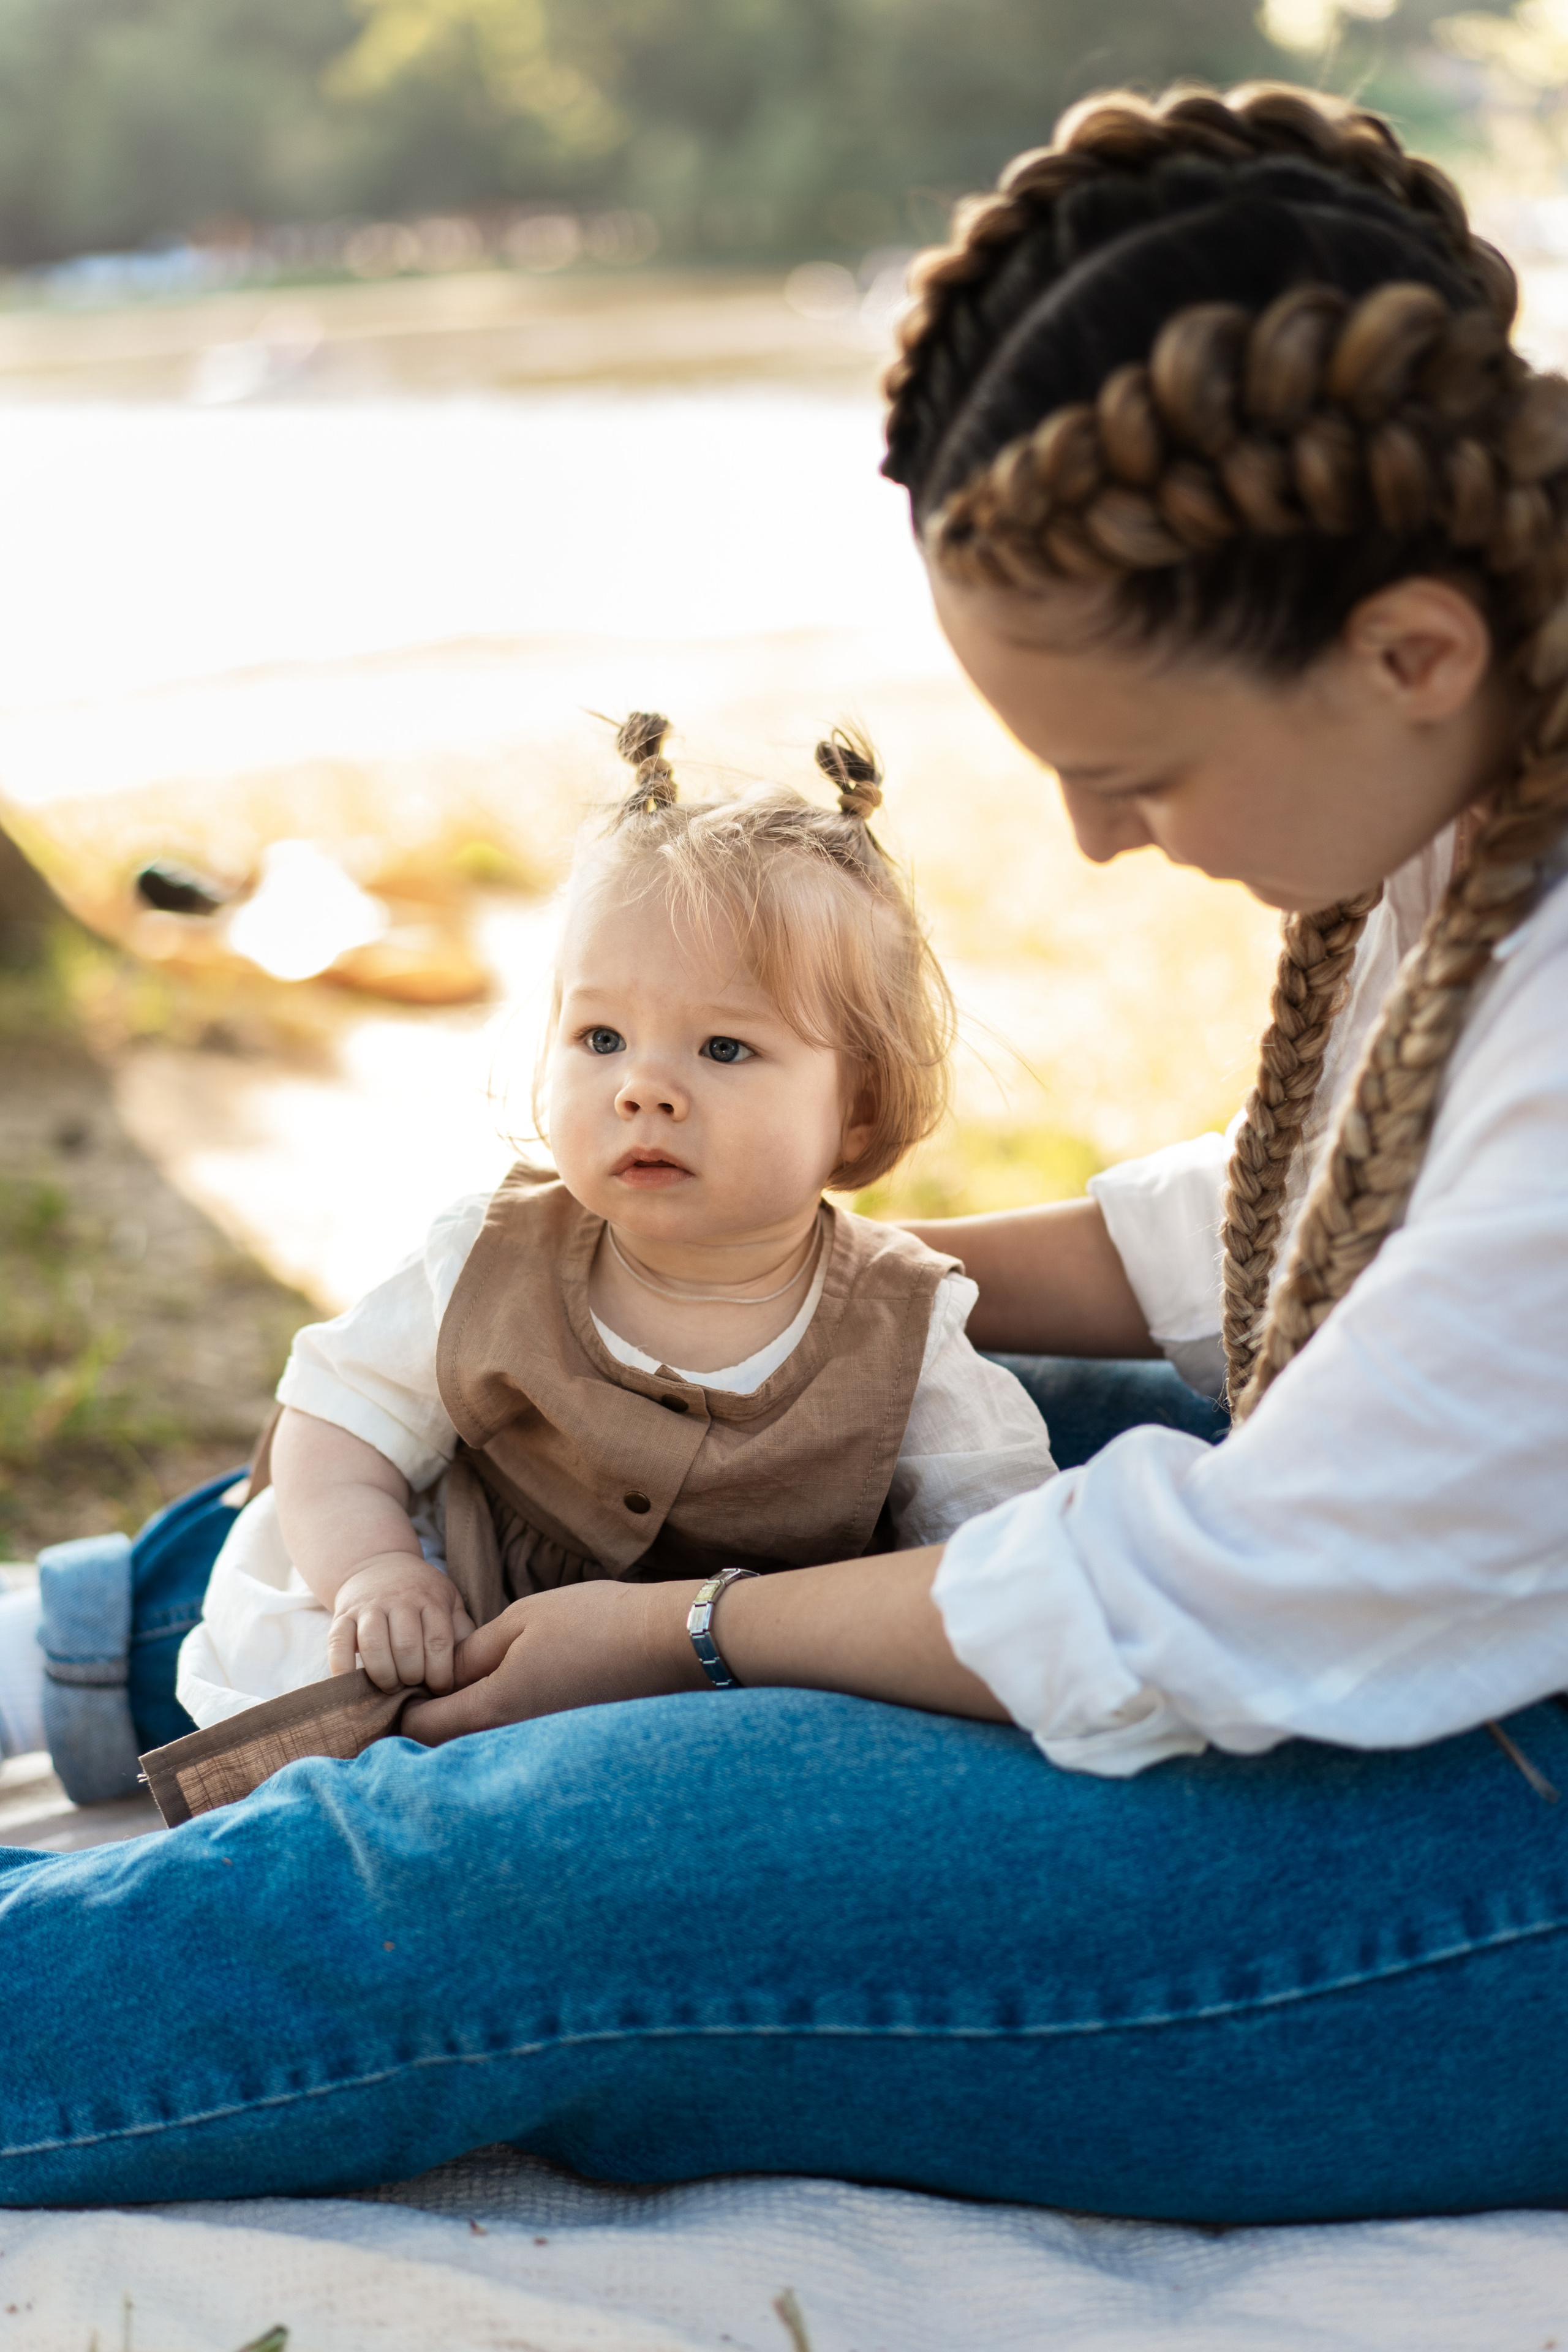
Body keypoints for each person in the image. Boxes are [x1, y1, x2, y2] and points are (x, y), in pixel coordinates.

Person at [2, 80, 1566, 2222]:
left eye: (1133, 767)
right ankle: (82, 1652)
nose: (1102, 839)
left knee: (560, 1830)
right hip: (1444, 1598)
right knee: (606, 1424)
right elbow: (1319, 1246)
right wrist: (789, 1279)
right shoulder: (1489, 779)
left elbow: (1219, 1600)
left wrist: (697, 1634)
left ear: (1409, 652)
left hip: (1506, 1835)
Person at [172, 711, 1054, 1737]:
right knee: (301, 1681)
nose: (644, 1088)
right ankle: (75, 1676)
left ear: (857, 1108)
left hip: (715, 1716)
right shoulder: (488, 1256)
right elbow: (337, 1420)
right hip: (443, 1661)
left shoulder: (907, 1328)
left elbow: (1004, 1552)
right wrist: (375, 1571)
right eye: (601, 1036)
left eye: (724, 1049)